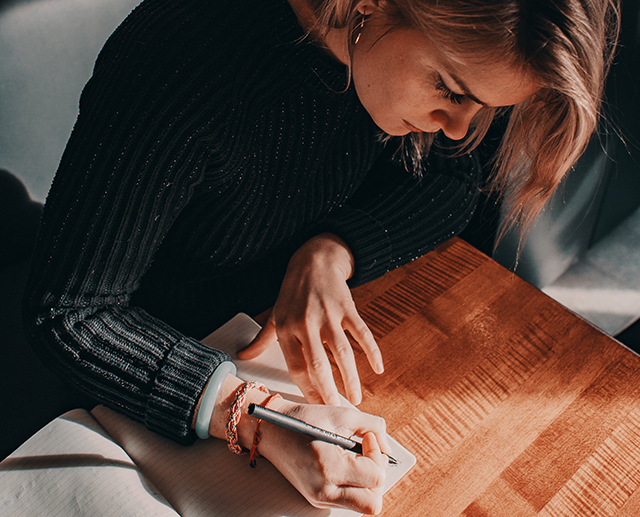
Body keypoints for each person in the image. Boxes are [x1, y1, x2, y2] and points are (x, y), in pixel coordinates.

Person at [22, 0, 619, 513]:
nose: (460, 129)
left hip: (255, 344)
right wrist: (252, 415)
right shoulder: (184, 59)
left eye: (486, 107)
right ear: (371, 5)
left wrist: (331, 251)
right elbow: (70, 313)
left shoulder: (442, 52)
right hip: (127, 371)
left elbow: (454, 184)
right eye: (450, 90)